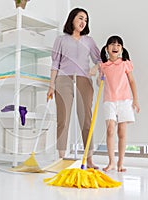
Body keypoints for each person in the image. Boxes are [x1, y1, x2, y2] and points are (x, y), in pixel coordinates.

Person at [47, 8, 101, 169]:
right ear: (72, 19)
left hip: (84, 80)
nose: (83, 22)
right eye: (80, 18)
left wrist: (95, 68)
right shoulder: (61, 40)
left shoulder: (89, 41)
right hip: (63, 80)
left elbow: (99, 59)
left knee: (86, 120)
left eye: (86, 19)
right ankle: (61, 159)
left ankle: (89, 159)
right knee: (63, 119)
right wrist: (51, 85)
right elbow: (55, 63)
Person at [94, 35, 140, 172]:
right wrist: (99, 77)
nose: (116, 47)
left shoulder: (125, 63)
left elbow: (132, 81)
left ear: (121, 49)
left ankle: (120, 163)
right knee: (109, 131)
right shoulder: (103, 66)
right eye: (113, 44)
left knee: (122, 132)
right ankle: (111, 162)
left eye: (119, 45)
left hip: (125, 101)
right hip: (109, 101)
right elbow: (99, 83)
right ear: (107, 48)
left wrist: (135, 100)